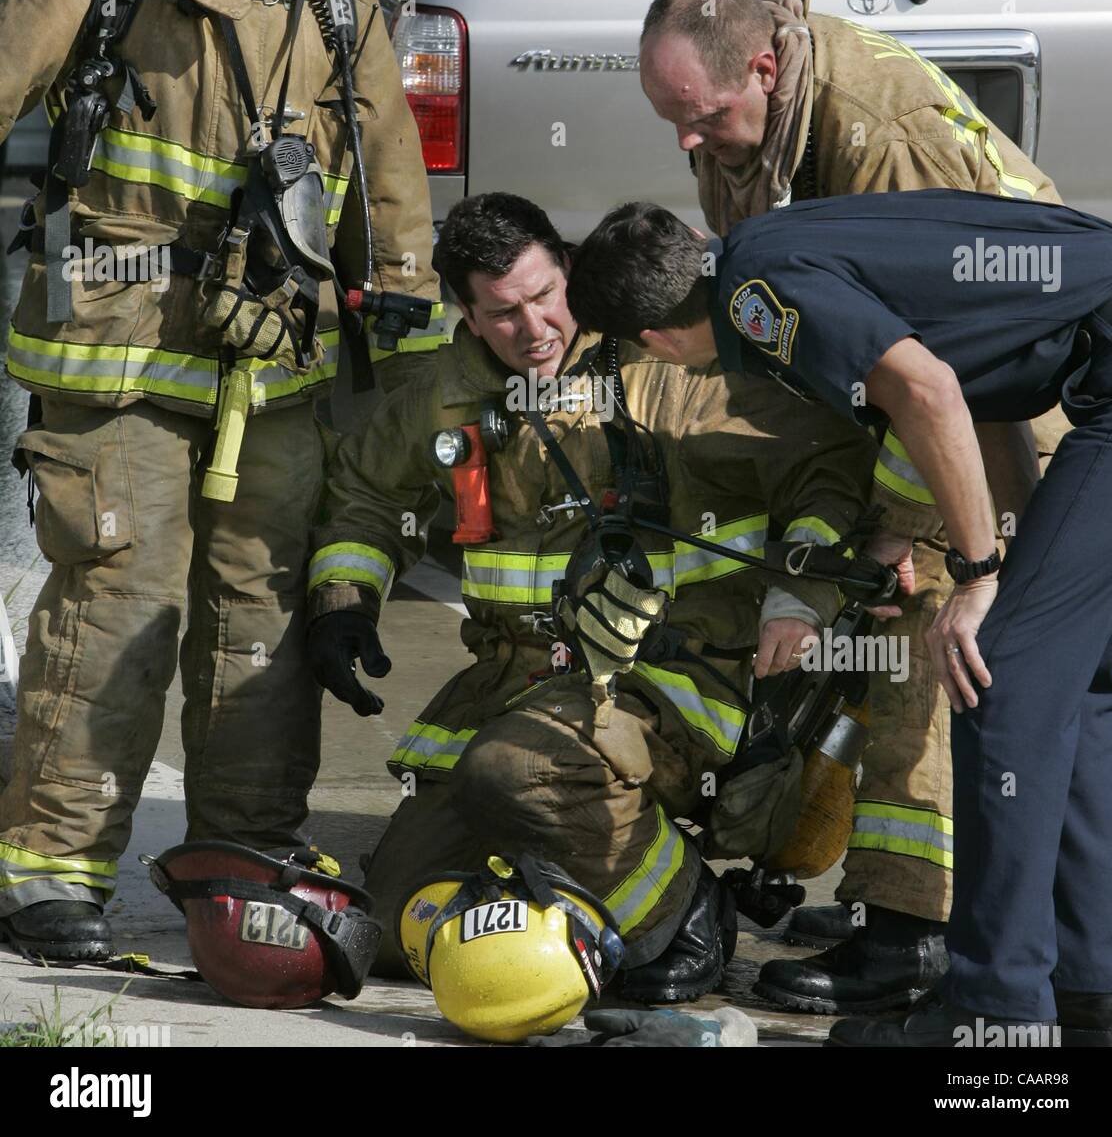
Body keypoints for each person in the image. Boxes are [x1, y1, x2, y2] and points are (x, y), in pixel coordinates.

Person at [0, 0, 445, 962]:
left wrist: (404, 307)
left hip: (274, 373)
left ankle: (243, 866)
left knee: (260, 621)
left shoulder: (342, 4)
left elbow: (389, 180)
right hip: (122, 358)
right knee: (118, 606)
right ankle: (51, 877)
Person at [566, 191, 1112, 1047]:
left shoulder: (758, 297)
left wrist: (977, 573)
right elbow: (978, 390)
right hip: (1103, 378)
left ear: (658, 341)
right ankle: (1091, 987)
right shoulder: (760, 246)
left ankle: (994, 1011)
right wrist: (996, 543)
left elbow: (928, 390)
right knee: (1069, 683)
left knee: (993, 677)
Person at [306, 191, 879, 1003]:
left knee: (518, 771)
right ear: (466, 315)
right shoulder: (443, 394)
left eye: (546, 295)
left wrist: (799, 597)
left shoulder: (661, 372)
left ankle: (682, 913)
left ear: (569, 270)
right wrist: (346, 603)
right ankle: (574, 897)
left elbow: (823, 463)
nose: (534, 328)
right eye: (503, 313)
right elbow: (364, 495)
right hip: (511, 684)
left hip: (665, 681)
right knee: (405, 921)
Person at [636, 0, 1059, 1011]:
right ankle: (905, 901)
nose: (690, 146)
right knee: (887, 618)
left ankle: (915, 932)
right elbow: (805, 336)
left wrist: (900, 531)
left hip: (1018, 403)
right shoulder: (746, 131)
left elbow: (936, 377)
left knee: (934, 629)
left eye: (703, 118)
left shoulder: (877, 139)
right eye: (674, 124)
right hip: (924, 395)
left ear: (766, 69)